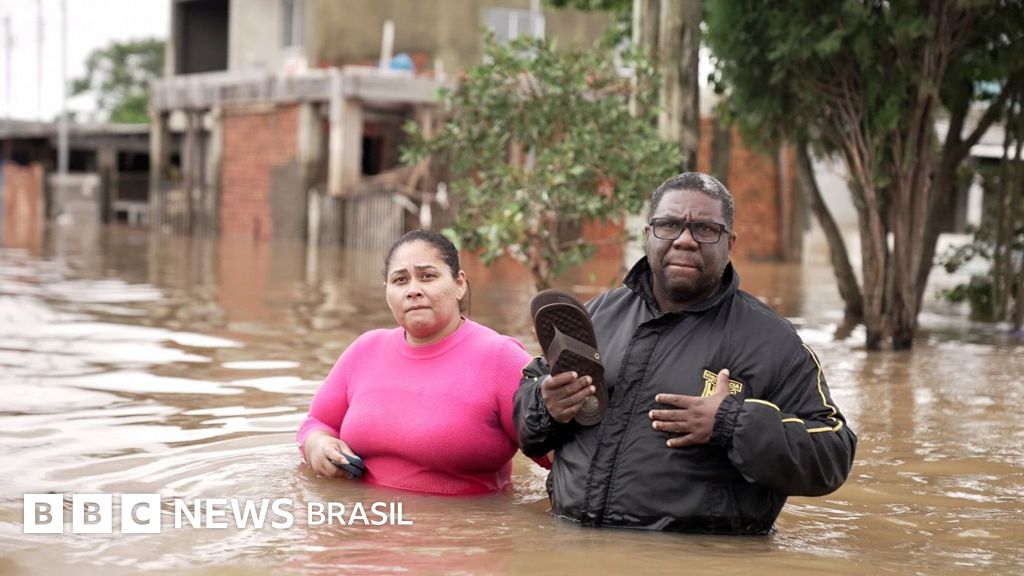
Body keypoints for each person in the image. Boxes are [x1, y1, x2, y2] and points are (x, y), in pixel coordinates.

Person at [514, 172, 857, 534]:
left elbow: (832, 452)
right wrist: (545, 404)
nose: (685, 241)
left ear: (730, 243)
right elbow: (525, 420)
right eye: (669, 225)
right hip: (573, 550)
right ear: (648, 234)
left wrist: (732, 423)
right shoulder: (599, 315)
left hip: (695, 558)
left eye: (706, 229)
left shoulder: (773, 342)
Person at [298, 229, 543, 495]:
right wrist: (318, 447)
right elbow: (317, 422)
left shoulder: (501, 358)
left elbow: (559, 456)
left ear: (459, 284)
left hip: (463, 531)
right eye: (400, 280)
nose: (413, 290)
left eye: (427, 276)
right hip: (363, 526)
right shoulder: (365, 350)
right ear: (387, 292)